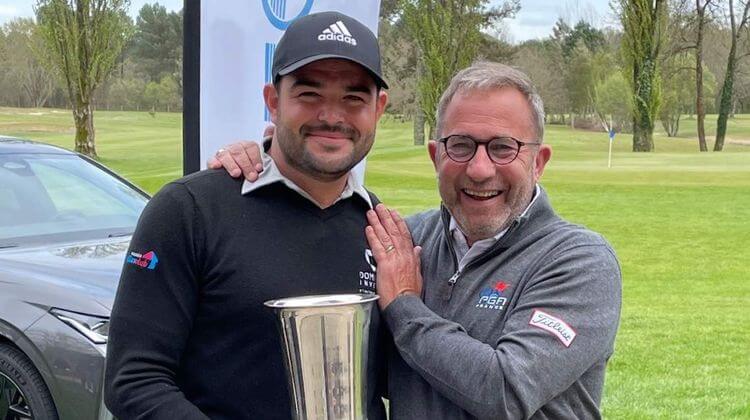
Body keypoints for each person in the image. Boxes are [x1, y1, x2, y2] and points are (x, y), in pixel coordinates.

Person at [212, 61, 622, 419]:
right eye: (460, 146)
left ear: (538, 162)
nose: (480, 170)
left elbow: (505, 391)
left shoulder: (579, 262)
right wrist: (270, 158)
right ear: (435, 156)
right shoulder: (402, 239)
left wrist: (405, 307)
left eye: (503, 148)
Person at [104, 11, 389, 419]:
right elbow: (132, 380)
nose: (331, 115)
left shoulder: (383, 229)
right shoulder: (189, 210)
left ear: (378, 108)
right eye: (309, 95)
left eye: (354, 98)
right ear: (273, 101)